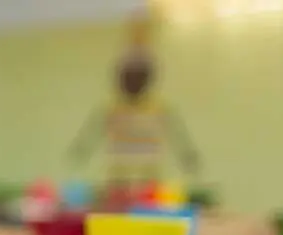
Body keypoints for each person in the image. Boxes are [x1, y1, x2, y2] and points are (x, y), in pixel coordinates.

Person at [68, 12, 200, 198]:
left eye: (137, 77)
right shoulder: (111, 108)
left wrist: (188, 154)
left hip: (149, 180)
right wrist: (81, 147)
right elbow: (90, 131)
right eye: (126, 77)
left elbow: (179, 134)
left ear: (147, 79)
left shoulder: (160, 108)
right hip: (118, 181)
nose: (131, 82)